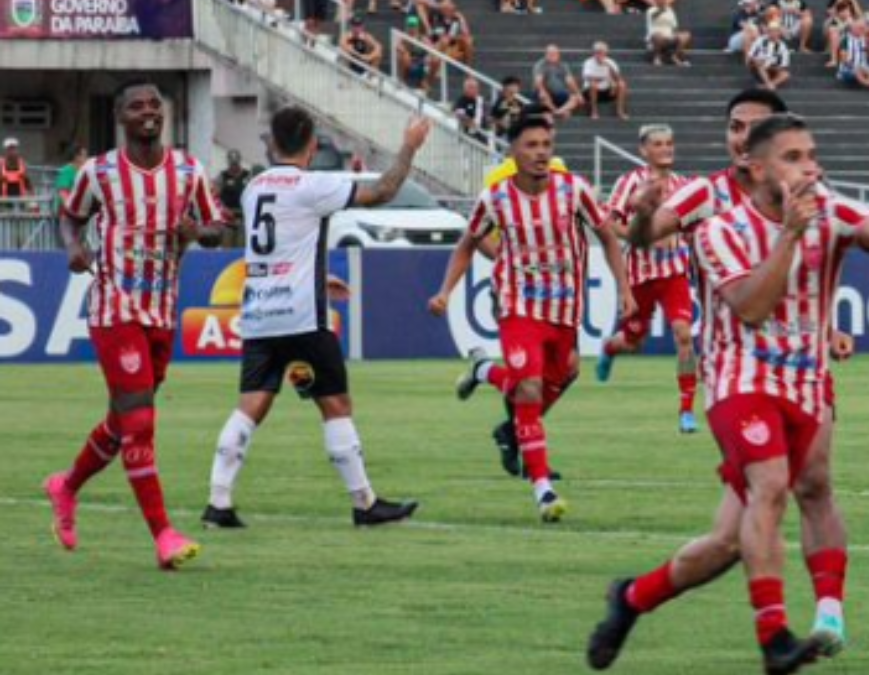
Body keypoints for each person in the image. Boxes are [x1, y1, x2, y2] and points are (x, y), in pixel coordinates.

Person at [588, 111, 869, 675]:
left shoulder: (828, 209)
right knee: (774, 485)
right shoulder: (718, 226)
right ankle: (774, 636)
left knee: (729, 542)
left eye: (811, 155)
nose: (811, 167)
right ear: (755, 168)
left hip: (804, 387)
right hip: (739, 380)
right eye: (794, 157)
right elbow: (752, 307)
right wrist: (788, 236)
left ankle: (631, 598)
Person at [201, 110, 429, 531]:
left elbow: (276, 248)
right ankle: (364, 503)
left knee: (250, 406)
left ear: (272, 144)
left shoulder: (254, 188)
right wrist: (410, 146)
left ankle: (218, 501)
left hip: (260, 313)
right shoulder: (313, 185)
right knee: (335, 404)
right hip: (303, 316)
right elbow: (383, 191)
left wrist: (319, 275)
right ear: (311, 144)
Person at [43, 85, 224, 569]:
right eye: (136, 106)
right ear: (120, 117)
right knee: (140, 421)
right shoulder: (99, 172)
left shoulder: (188, 171)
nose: (148, 112)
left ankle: (66, 486)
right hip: (114, 305)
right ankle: (163, 534)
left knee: (123, 423)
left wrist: (197, 233)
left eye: (154, 106)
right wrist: (72, 248)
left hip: (161, 308)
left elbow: (215, 228)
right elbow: (69, 217)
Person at [430, 115, 634, 523]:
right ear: (513, 152)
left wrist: (625, 289)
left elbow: (609, 237)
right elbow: (468, 243)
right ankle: (542, 488)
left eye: (546, 144)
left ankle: (486, 371)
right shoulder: (495, 199)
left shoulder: (574, 191)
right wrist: (445, 291)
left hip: (564, 310)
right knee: (528, 388)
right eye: (532, 145)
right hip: (517, 304)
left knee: (565, 373)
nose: (541, 152)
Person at [594, 125, 699, 433]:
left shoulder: (685, 185)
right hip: (639, 274)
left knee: (684, 334)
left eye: (669, 143)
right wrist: (636, 236)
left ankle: (686, 410)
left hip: (674, 272)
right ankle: (610, 349)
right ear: (644, 150)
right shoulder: (629, 183)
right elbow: (608, 223)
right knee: (632, 340)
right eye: (658, 144)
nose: (666, 149)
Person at [582, 42, 630, 119]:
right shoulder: (588, 62)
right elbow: (588, 77)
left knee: (622, 84)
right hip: (591, 91)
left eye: (602, 52)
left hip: (608, 90)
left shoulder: (611, 62)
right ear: (594, 53)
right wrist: (605, 78)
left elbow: (618, 78)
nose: (599, 54)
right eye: (597, 52)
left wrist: (609, 66)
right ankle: (594, 112)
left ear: (606, 53)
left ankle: (620, 111)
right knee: (593, 84)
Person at [533, 44, 583, 119]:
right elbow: (538, 81)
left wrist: (578, 93)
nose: (552, 56)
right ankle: (558, 111)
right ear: (546, 54)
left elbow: (570, 81)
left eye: (555, 54)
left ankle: (558, 111)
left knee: (575, 98)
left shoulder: (563, 65)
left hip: (560, 93)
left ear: (558, 54)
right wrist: (541, 90)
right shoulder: (540, 64)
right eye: (550, 54)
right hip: (546, 93)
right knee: (544, 96)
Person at [747, 23, 793, 89]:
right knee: (760, 63)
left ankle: (766, 86)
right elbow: (750, 56)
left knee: (786, 74)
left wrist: (771, 65)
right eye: (771, 31)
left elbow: (783, 65)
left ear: (779, 33)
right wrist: (756, 60)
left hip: (772, 69)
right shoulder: (760, 40)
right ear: (768, 32)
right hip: (758, 68)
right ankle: (768, 83)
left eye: (775, 31)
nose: (773, 33)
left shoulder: (782, 46)